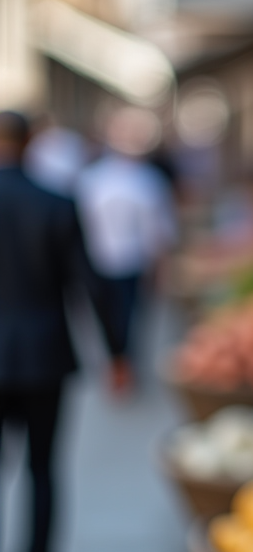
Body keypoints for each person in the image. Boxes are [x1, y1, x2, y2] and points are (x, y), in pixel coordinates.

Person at [0, 110, 129, 552]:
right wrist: (117, 352)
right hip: (45, 356)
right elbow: (89, 283)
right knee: (43, 471)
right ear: (32, 142)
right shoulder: (55, 201)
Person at [74, 106, 178, 380]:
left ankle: (125, 365)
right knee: (106, 317)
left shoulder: (150, 179)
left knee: (130, 318)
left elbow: (160, 229)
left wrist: (161, 269)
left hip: (134, 262)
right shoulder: (91, 178)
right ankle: (116, 362)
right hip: (97, 261)